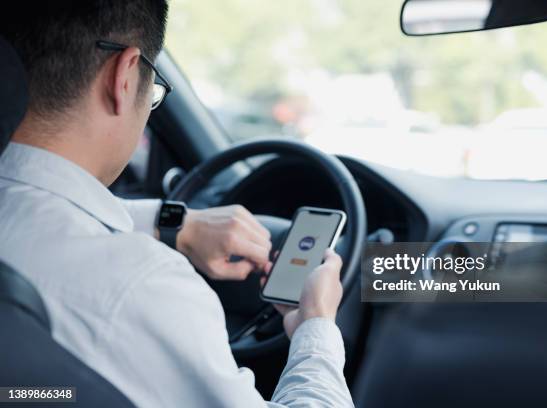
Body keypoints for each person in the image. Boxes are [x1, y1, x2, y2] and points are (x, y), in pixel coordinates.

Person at [0, 1, 353, 407]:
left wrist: (177, 226)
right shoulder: (140, 283)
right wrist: (315, 326)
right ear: (125, 76)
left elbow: (50, 216)